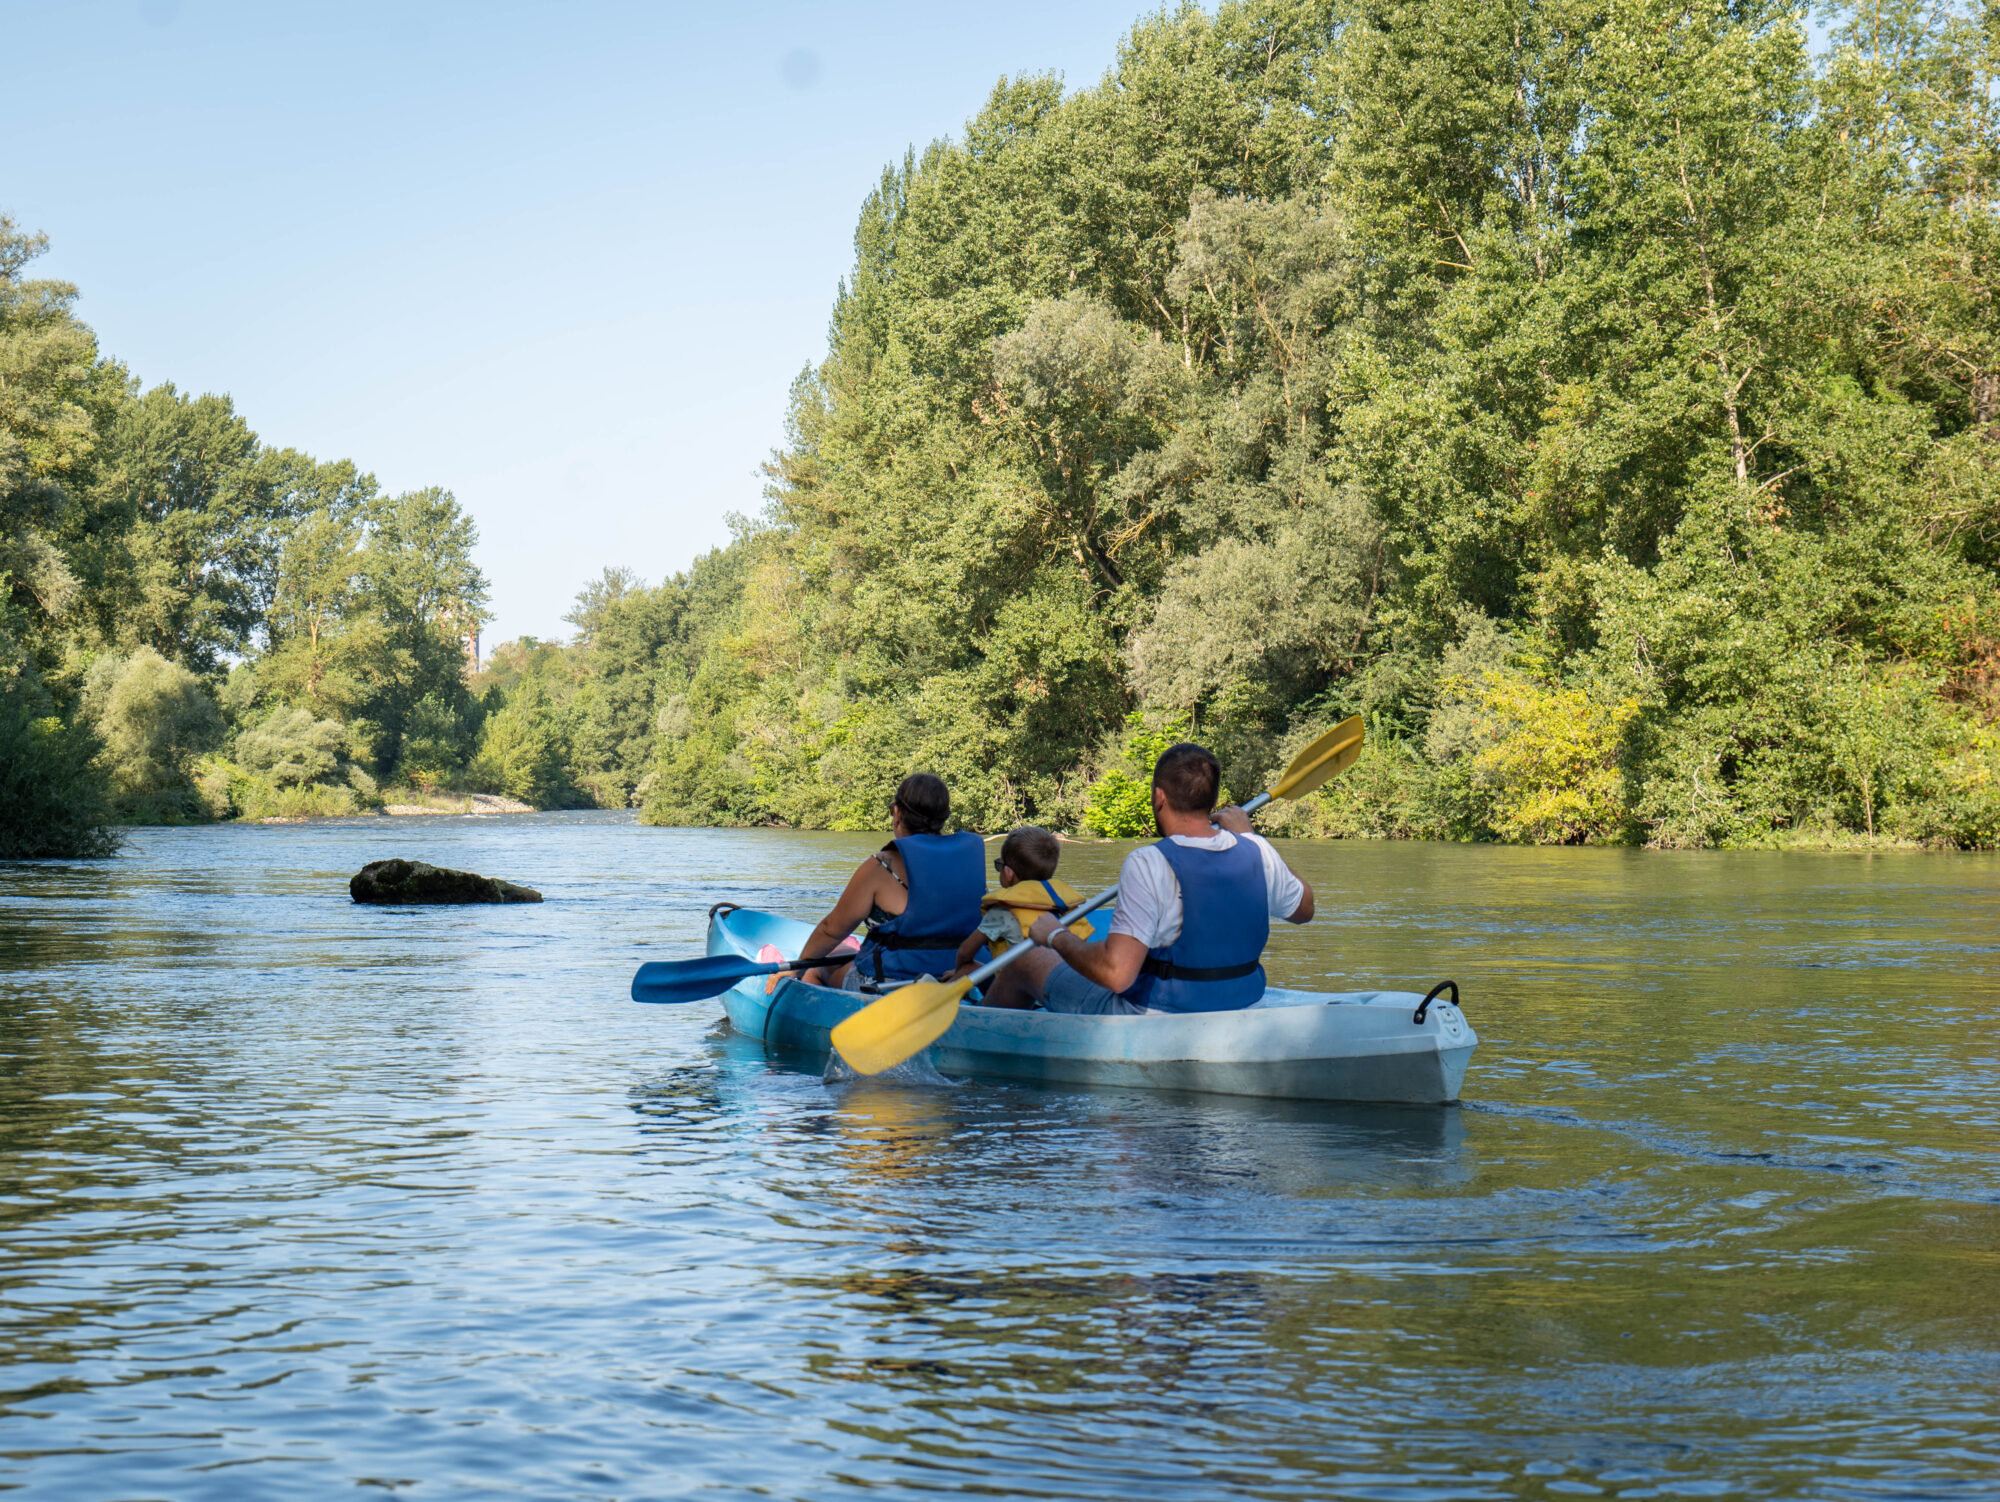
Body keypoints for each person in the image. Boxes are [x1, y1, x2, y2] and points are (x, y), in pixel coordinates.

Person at [1014, 742, 1314, 1014]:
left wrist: (1055, 936)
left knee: (1026, 960)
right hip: (1243, 1006)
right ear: (1212, 799)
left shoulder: (1148, 862)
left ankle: (978, 1037)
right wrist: (1252, 837)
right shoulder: (1255, 849)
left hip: (1159, 1019)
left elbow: (1116, 975)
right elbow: (1304, 910)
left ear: (1159, 797)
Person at [797, 773, 985, 991]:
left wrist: (796, 968)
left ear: (897, 814)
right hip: (958, 978)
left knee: (819, 966)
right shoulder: (970, 858)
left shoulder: (882, 866)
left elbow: (831, 930)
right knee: (847, 954)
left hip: (891, 985)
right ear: (943, 817)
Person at [951, 825, 1088, 1009]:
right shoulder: (1064, 907)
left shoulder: (1003, 911)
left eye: (999, 865)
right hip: (1054, 989)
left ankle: (946, 998)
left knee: (970, 968)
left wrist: (959, 970)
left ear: (1008, 873)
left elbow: (965, 952)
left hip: (1015, 994)